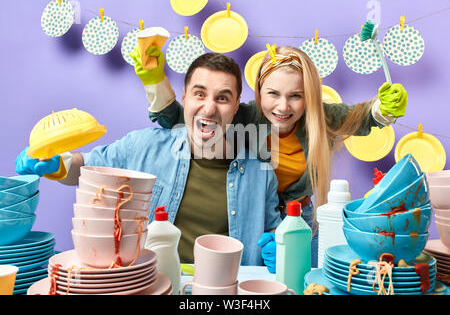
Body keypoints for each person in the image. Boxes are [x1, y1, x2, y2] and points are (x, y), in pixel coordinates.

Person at [129, 45, 408, 271]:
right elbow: (180, 118)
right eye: (273, 93)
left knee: (301, 280)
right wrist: (156, 83)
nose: (283, 106)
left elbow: (359, 118)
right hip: (256, 217)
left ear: (308, 97)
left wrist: (384, 108)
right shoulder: (244, 116)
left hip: (302, 220)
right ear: (258, 91)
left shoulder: (319, 117)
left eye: (296, 96)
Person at [15, 52, 282, 266]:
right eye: (199, 94)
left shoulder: (261, 171)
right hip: (150, 282)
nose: (209, 108)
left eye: (222, 98)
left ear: (236, 106)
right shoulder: (143, 145)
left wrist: (279, 246)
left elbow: (274, 230)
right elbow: (85, 167)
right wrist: (57, 165)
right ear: (185, 98)